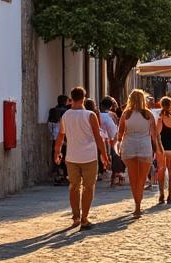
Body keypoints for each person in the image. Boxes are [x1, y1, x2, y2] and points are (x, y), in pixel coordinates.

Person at [52, 86, 108, 229]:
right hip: (89, 156)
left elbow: (60, 135)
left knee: (74, 187)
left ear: (71, 99)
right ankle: (84, 218)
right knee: (89, 187)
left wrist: (57, 152)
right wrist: (104, 154)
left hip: (71, 157)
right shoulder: (90, 115)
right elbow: (97, 136)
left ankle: (76, 217)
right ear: (84, 98)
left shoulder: (65, 115)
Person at [117, 89, 162, 218]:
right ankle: (138, 206)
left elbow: (120, 133)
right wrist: (158, 150)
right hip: (144, 147)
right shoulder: (148, 114)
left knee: (133, 178)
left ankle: (136, 203)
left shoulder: (126, 114)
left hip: (129, 146)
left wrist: (118, 145)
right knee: (141, 179)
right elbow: (154, 135)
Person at [47, 94, 70, 185]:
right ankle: (65, 176)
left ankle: (57, 176)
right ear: (65, 101)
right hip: (64, 139)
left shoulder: (52, 111)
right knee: (65, 157)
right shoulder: (67, 112)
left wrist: (53, 135)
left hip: (54, 138)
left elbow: (49, 124)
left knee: (56, 157)